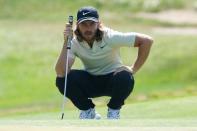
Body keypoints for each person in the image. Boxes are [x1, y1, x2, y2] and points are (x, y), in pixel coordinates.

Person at [55, 6, 153, 119]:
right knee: (62, 80)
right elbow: (61, 72)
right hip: (90, 81)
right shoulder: (74, 42)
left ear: (98, 24)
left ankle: (113, 111)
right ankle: (88, 111)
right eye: (84, 24)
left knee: (126, 76)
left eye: (91, 23)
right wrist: (65, 42)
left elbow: (146, 41)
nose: (88, 28)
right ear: (77, 25)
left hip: (113, 80)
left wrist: (133, 69)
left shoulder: (110, 36)